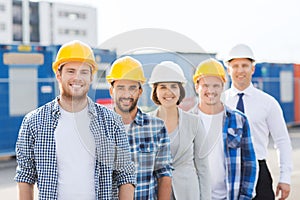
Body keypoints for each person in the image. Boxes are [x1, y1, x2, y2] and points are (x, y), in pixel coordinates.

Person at [14, 40, 136, 200]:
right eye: (71, 71)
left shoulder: (112, 122)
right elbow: (25, 176)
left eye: (84, 72)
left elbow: (125, 175)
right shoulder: (34, 121)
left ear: (91, 77)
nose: (77, 78)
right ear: (58, 74)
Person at [223, 44, 293, 200]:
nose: (240, 70)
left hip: (258, 171)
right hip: (226, 171)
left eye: (245, 65)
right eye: (235, 66)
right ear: (228, 70)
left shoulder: (268, 103)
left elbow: (282, 141)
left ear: (252, 69)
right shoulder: (219, 102)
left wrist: (285, 177)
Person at [106, 56, 173, 200]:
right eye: (120, 88)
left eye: (132, 88)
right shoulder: (100, 127)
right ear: (111, 91)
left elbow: (164, 175)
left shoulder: (157, 127)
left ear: (140, 91)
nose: (126, 94)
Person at [190, 58, 257, 200]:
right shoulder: (186, 121)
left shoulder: (239, 120)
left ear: (223, 87)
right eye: (205, 85)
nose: (211, 91)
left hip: (230, 196)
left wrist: (245, 197)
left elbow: (250, 163)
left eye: (216, 85)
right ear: (196, 87)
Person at [147, 61, 211, 200]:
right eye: (163, 87)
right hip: (155, 193)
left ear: (180, 90)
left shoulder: (194, 122)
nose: (168, 92)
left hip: (188, 193)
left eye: (173, 86)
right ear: (155, 91)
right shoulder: (145, 123)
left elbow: (203, 169)